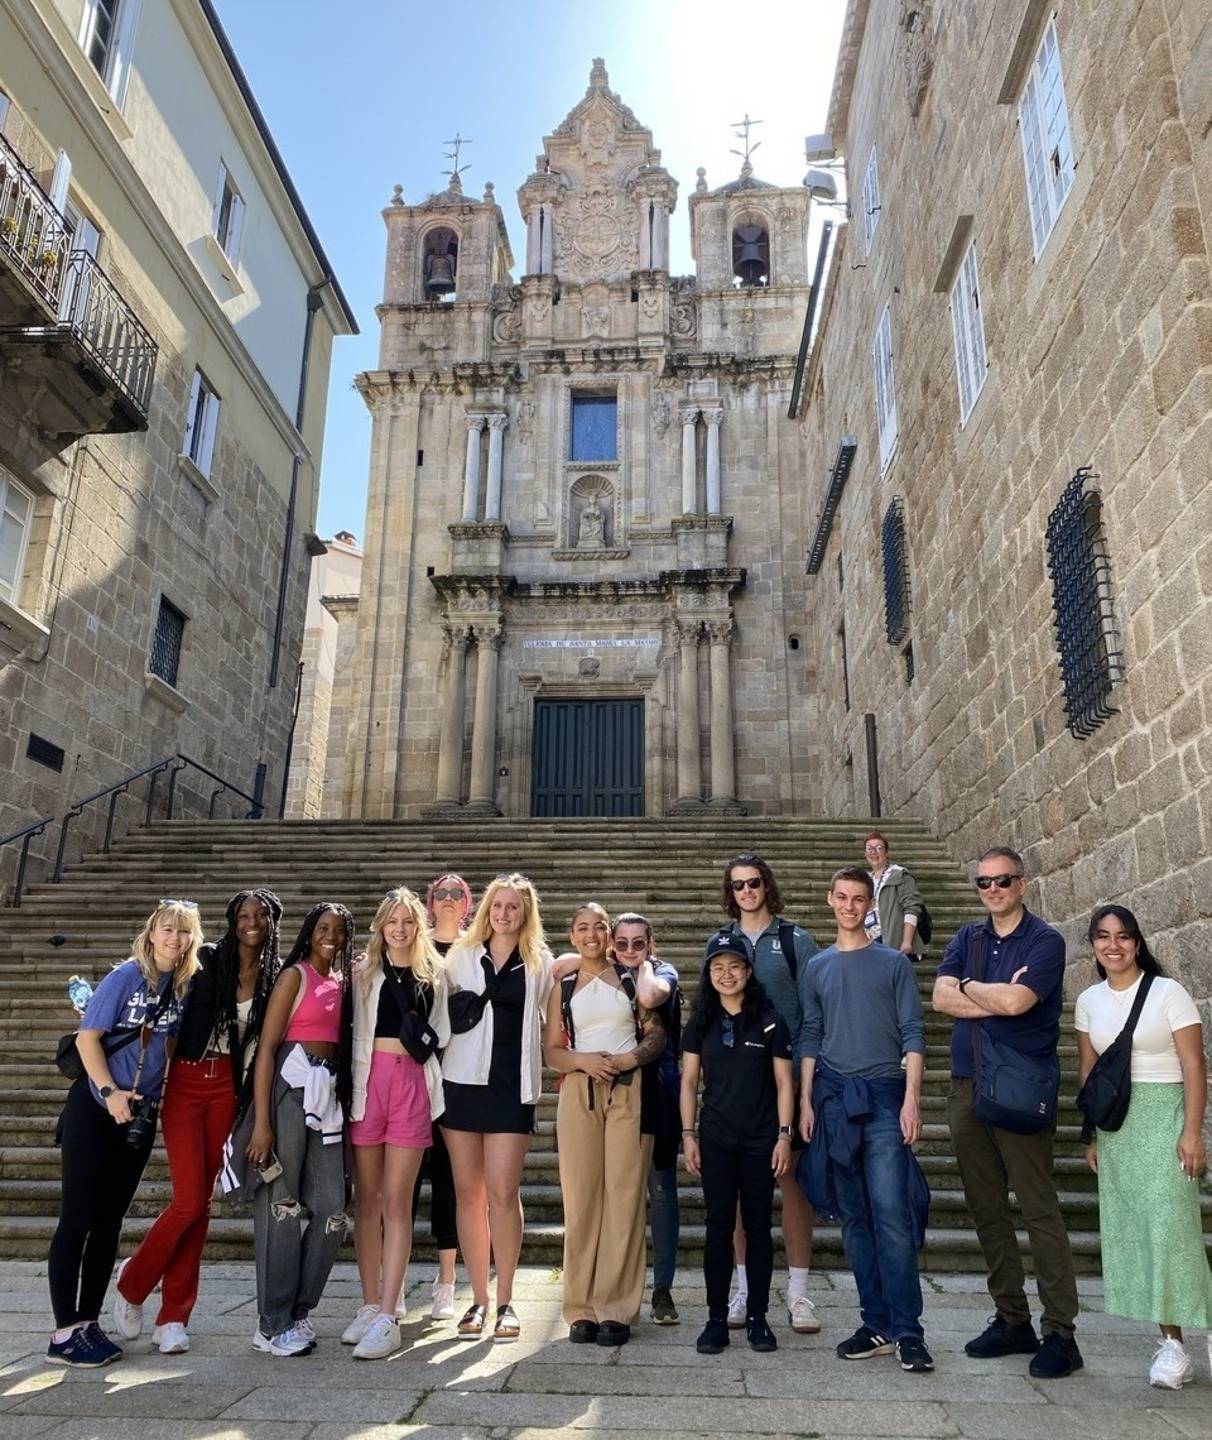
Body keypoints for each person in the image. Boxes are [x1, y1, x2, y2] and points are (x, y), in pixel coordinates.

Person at [933, 846, 1082, 1379]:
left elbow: (1021, 1004)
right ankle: (1012, 1317)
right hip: (967, 1086)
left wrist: (971, 989)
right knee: (986, 1207)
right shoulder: (966, 938)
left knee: (1039, 1208)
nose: (992, 889)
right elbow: (940, 998)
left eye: (1002, 880)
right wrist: (990, 994)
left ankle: (1061, 1333)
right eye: (983, 882)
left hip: (1019, 1087)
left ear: (1022, 884)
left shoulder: (1044, 940)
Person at [113, 889, 282, 1355]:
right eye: (243, 915)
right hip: (186, 1084)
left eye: (260, 916)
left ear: (271, 923)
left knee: (202, 1204)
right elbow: (160, 982)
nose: (251, 922)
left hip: (227, 1091)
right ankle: (132, 1283)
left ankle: (173, 1317)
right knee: (188, 1201)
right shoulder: (206, 958)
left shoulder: (273, 974)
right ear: (231, 920)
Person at [47, 900, 200, 1367]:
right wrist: (109, 1090)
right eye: (168, 930)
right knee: (77, 1216)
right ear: (152, 933)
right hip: (97, 1108)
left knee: (109, 1221)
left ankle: (88, 1322)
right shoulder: (125, 976)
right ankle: (63, 1332)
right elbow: (87, 1037)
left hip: (139, 1114)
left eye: (184, 932)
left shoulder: (184, 986)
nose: (175, 939)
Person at [798, 868, 932, 1372]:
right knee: (854, 1217)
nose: (850, 906)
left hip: (882, 1099)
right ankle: (875, 1321)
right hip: (834, 1102)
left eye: (859, 899)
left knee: (891, 1214)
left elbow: (913, 1033)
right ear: (830, 900)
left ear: (869, 903)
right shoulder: (817, 966)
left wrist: (912, 1099)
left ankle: (908, 1331)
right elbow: (810, 1034)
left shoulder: (893, 964)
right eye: (843, 898)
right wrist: (807, 1102)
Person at [1075, 904, 1212, 1389]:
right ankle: (1173, 1346)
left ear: (1138, 942)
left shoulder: (1168, 993)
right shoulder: (1088, 1000)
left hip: (1167, 1114)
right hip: (1118, 1128)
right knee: (1140, 1234)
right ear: (1092, 944)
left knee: (1173, 1226)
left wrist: (1192, 1130)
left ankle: (1204, 1324)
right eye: (1103, 937)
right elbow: (1089, 1073)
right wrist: (1091, 1134)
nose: (1114, 945)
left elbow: (1195, 1065)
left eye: (1124, 936)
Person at [435, 873, 554, 1342]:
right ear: (487, 909)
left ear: (526, 914)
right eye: (498, 906)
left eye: (513, 908)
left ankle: (507, 1300)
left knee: (504, 1192)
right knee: (469, 1194)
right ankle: (478, 1299)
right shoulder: (460, 956)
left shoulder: (540, 962)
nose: (504, 914)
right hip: (461, 1084)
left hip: (511, 1087)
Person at [552, 911, 683, 1325]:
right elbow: (550, 1050)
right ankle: (580, 1308)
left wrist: (627, 1059)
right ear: (572, 934)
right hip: (580, 1088)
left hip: (630, 1090)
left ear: (607, 933)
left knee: (625, 1199)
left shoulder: (629, 979)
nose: (591, 934)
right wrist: (583, 1061)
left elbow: (656, 1032)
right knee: (581, 1200)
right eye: (582, 927)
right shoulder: (565, 983)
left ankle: (617, 1309)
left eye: (598, 927)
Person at [707, 853, 820, 1334]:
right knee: (734, 1198)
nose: (746, 891)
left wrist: (807, 1087)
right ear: (729, 892)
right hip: (735, 1091)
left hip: (785, 1082)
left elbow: (814, 1015)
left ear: (766, 886)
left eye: (753, 883)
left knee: (792, 1184)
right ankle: (744, 1290)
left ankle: (798, 1294)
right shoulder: (721, 943)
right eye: (737, 885)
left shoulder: (795, 940)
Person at [247, 902, 356, 1358]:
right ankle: (271, 1323)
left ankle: (299, 1310)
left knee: (332, 1205)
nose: (329, 936)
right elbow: (268, 1049)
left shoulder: (344, 981)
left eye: (338, 930)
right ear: (309, 933)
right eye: (322, 929)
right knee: (282, 1204)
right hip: (288, 1092)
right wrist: (262, 1123)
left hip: (326, 1095)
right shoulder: (296, 976)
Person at [344, 887, 449, 1360]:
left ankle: (389, 1314)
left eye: (409, 921)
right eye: (392, 922)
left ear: (419, 925)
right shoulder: (363, 973)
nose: (401, 929)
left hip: (410, 1084)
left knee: (397, 1202)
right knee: (366, 1200)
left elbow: (442, 1032)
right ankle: (369, 1303)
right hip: (369, 1084)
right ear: (381, 926)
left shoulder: (435, 974)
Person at [681, 933, 794, 1356]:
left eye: (734, 967)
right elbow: (689, 1083)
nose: (726, 975)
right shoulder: (701, 1021)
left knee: (760, 1227)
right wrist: (688, 1134)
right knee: (717, 1228)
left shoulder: (768, 1019)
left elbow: (785, 1083)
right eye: (717, 968)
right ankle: (714, 1320)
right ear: (708, 975)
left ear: (748, 972)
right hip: (715, 1137)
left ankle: (759, 1318)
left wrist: (785, 1135)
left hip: (761, 1137)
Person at [413, 872, 473, 1321]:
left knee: (452, 1182)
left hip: (457, 1079)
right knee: (407, 1180)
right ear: (430, 902)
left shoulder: (474, 951)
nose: (449, 899)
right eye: (442, 893)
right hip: (412, 1077)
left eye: (457, 893)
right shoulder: (413, 945)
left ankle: (447, 1279)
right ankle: (387, 1288)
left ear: (467, 902)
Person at [862, 832, 926, 960]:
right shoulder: (866, 879)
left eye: (879, 848)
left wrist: (907, 941)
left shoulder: (900, 875)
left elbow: (912, 908)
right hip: (869, 940)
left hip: (892, 940)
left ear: (887, 853)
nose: (874, 852)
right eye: (869, 848)